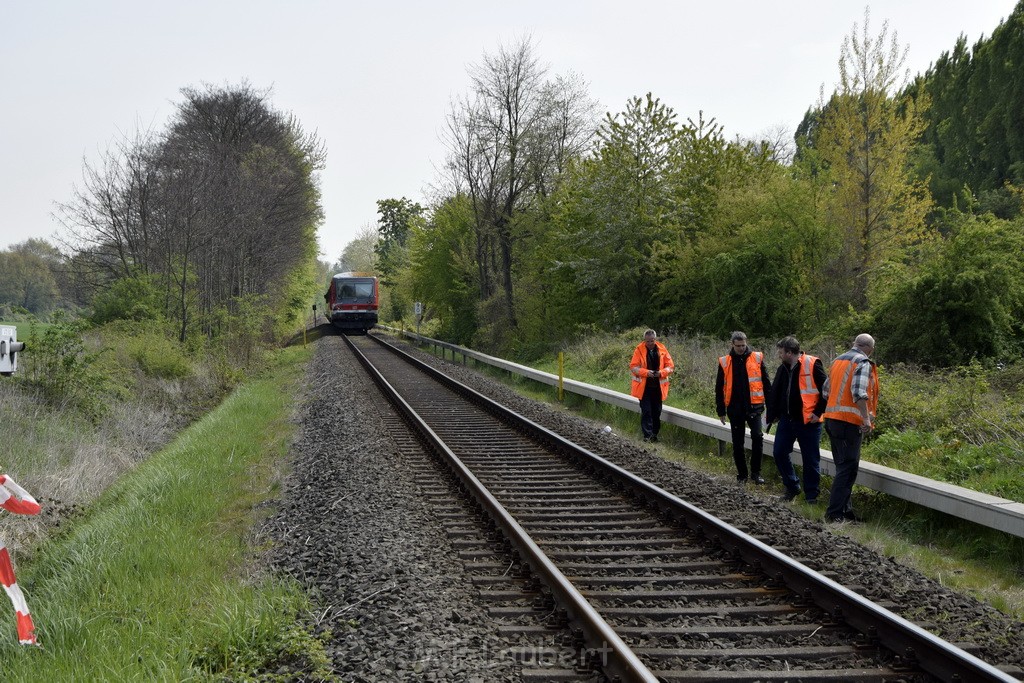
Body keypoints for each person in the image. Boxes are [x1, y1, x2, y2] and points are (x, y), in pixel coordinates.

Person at [822, 333, 879, 523]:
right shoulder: (862, 362)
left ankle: (845, 512)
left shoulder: (838, 361)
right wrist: (865, 419)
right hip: (848, 423)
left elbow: (825, 390)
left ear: (854, 344)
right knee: (848, 468)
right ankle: (834, 514)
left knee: (842, 467)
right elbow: (859, 393)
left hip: (832, 419)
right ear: (870, 349)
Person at [766, 336, 827, 503]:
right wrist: (772, 415)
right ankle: (792, 487)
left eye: (780, 352)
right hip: (787, 419)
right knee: (779, 452)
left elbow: (827, 390)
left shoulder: (813, 364)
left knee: (811, 459)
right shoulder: (783, 368)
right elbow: (776, 392)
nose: (779, 355)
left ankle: (811, 497)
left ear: (789, 352)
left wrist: (818, 412)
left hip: (809, 421)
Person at [715, 331, 771, 483]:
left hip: (754, 406)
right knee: (738, 443)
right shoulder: (725, 361)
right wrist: (721, 410)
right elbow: (719, 387)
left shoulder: (757, 358)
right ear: (732, 345)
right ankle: (742, 475)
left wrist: (771, 406)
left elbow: (766, 383)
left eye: (743, 345)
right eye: (738, 346)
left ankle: (756, 474)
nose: (741, 348)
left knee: (757, 437)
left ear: (747, 343)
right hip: (735, 408)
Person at [629, 329, 675, 442]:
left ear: (655, 339)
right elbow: (634, 367)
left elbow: (670, 367)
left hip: (658, 387)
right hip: (644, 388)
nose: (650, 343)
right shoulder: (639, 350)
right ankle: (647, 436)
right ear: (644, 340)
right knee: (646, 411)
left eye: (652, 341)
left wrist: (661, 373)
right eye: (648, 341)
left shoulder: (662, 349)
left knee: (657, 411)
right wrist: (647, 373)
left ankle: (654, 434)